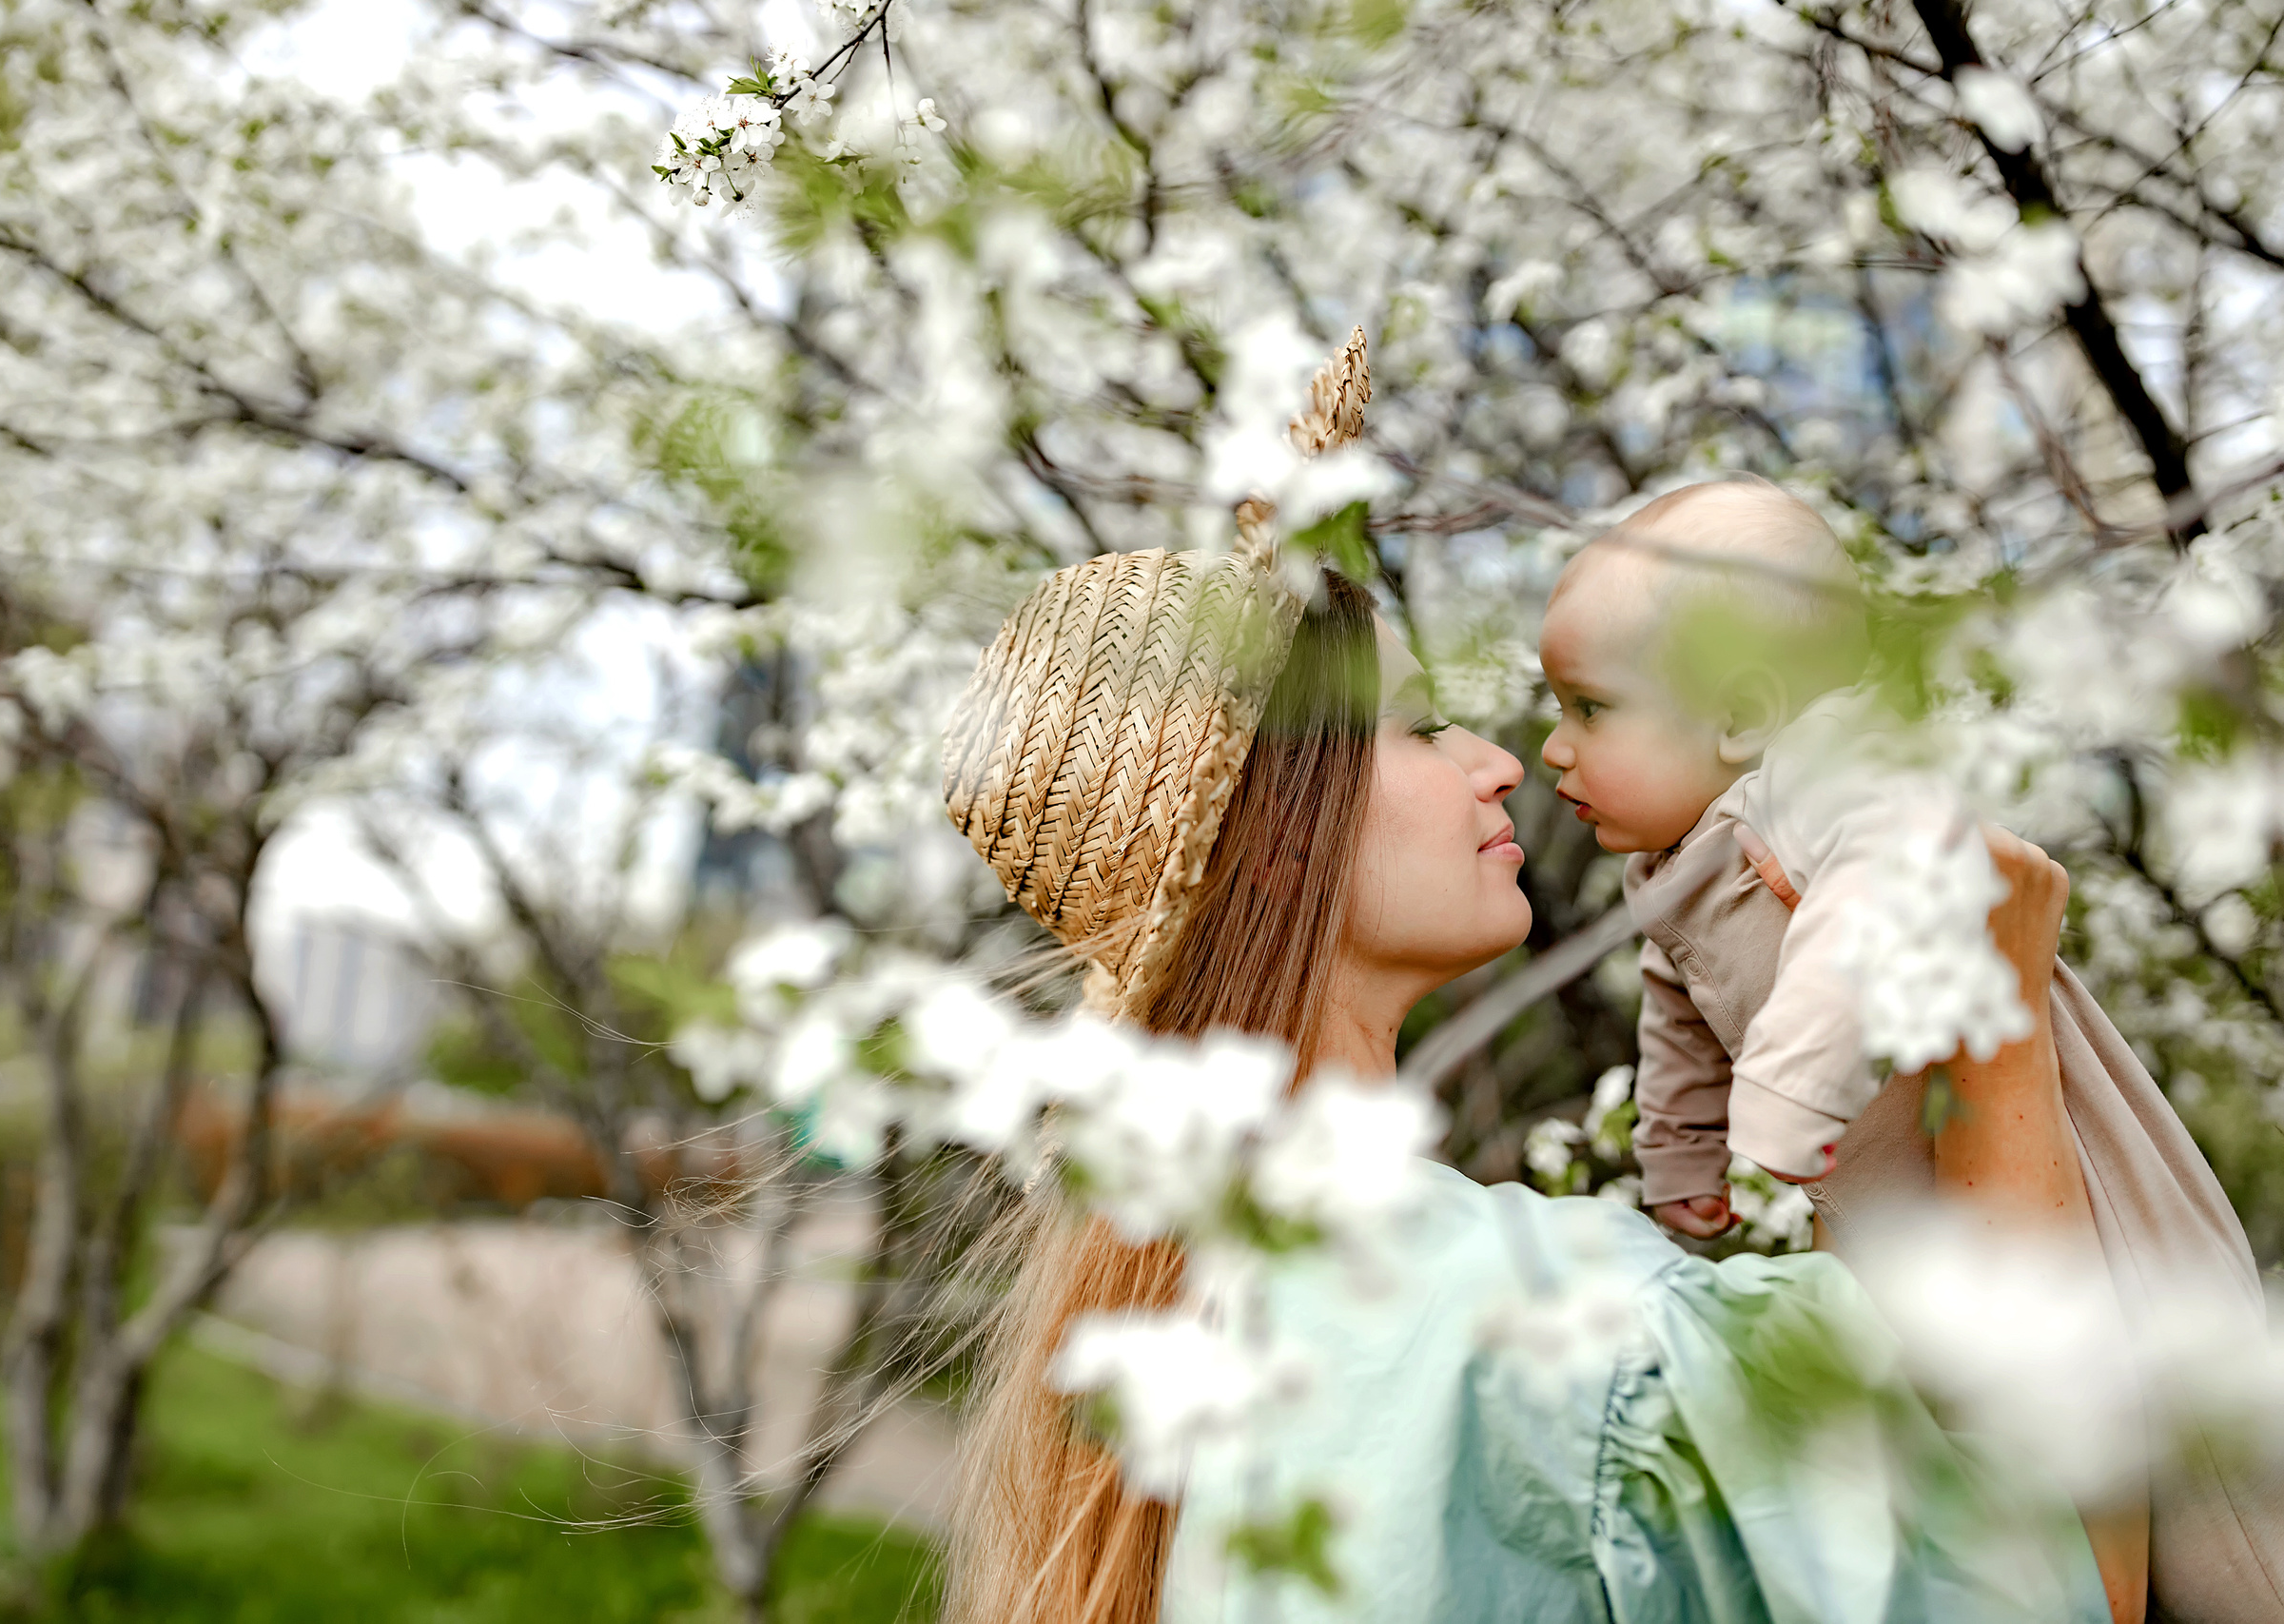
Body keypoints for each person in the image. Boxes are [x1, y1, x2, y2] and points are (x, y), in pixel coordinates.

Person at [936, 520, 2123, 1623]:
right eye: (1413, 728)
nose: (1497, 762)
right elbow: (2063, 1581)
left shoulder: (1186, 1303)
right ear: (1277, 835)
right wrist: (2001, 1028)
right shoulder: (1555, 1342)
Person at [1536, 477, 2282, 1621]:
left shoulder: (1822, 774)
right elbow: (1675, 1019)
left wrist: (1781, 1105)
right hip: (1915, 1212)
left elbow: (1886, 878)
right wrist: (1681, 1166)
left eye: (1587, 708)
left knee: (2207, 1500)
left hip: (2069, 1173)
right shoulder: (1669, 869)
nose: (1549, 748)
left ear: (1737, 714)